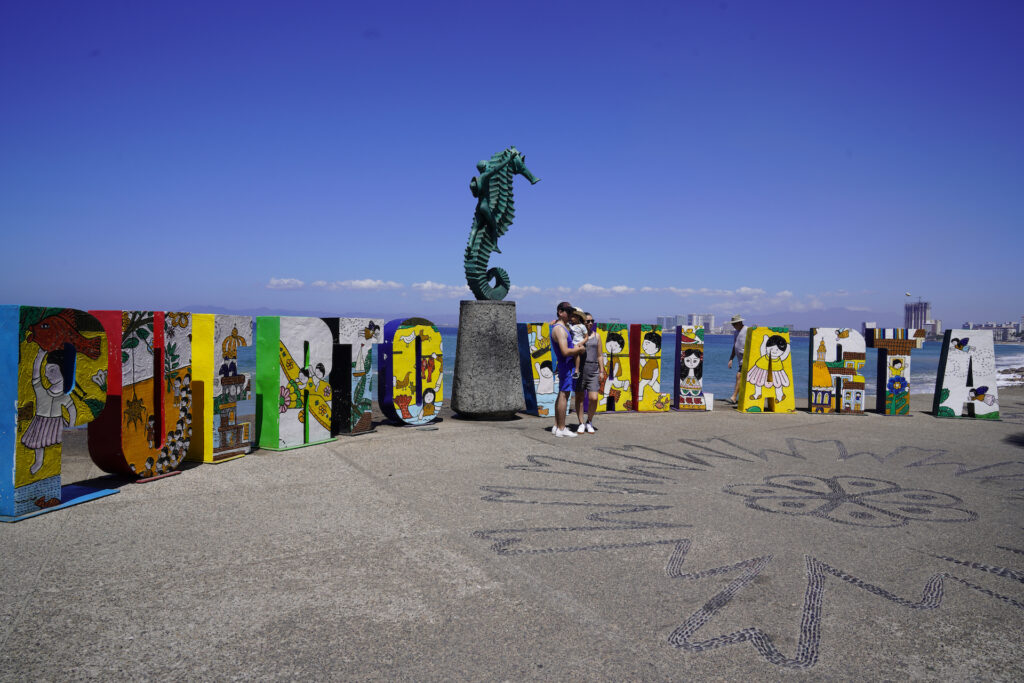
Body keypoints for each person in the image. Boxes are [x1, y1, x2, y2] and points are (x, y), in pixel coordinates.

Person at [551, 301, 586, 437]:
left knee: (562, 393)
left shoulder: (561, 327)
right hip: (566, 365)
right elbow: (565, 351)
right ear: (560, 312)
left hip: (565, 365)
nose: (571, 314)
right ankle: (561, 428)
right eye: (568, 311)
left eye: (572, 312)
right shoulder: (559, 329)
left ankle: (556, 425)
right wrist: (579, 349)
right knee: (564, 395)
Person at [574, 312, 604, 433]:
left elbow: (600, 355)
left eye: (592, 321)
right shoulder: (577, 336)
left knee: (594, 398)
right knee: (579, 397)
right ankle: (581, 422)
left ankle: (589, 421)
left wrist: (602, 371)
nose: (591, 323)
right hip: (580, 370)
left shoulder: (597, 336)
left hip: (593, 370)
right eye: (588, 321)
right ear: (582, 322)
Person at [727, 314, 747, 404]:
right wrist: (731, 359)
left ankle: (734, 397)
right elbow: (735, 346)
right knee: (742, 378)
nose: (733, 326)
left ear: (739, 322)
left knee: (739, 376)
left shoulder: (747, 330)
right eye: (732, 324)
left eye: (734, 324)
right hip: (740, 360)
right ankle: (742, 397)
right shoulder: (736, 332)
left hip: (747, 358)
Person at [569, 308, 588, 379]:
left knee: (576, 354)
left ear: (578, 317)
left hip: (579, 343)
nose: (572, 318)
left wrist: (581, 343)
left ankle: (577, 371)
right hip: (572, 343)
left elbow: (586, 337)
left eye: (573, 316)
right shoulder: (570, 325)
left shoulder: (582, 326)